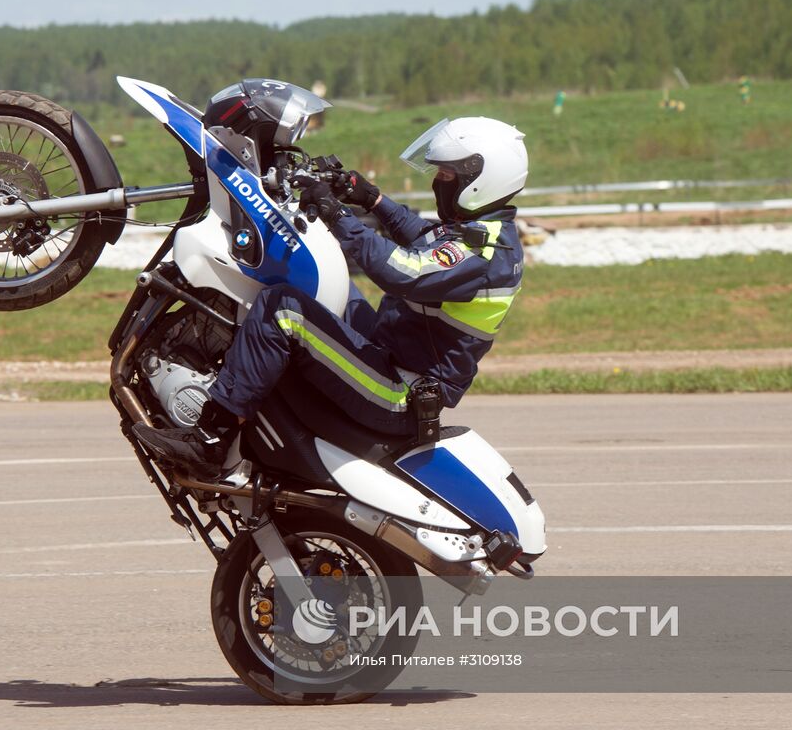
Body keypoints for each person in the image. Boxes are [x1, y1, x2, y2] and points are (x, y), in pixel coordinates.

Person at [134, 115, 529, 478]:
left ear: (478, 179)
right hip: (388, 351)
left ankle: (211, 439)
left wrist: (336, 214)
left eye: (446, 172)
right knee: (325, 280)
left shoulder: (485, 251)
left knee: (283, 310)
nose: (437, 180)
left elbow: (402, 272)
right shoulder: (480, 232)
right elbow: (423, 237)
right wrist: (369, 198)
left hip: (400, 392)